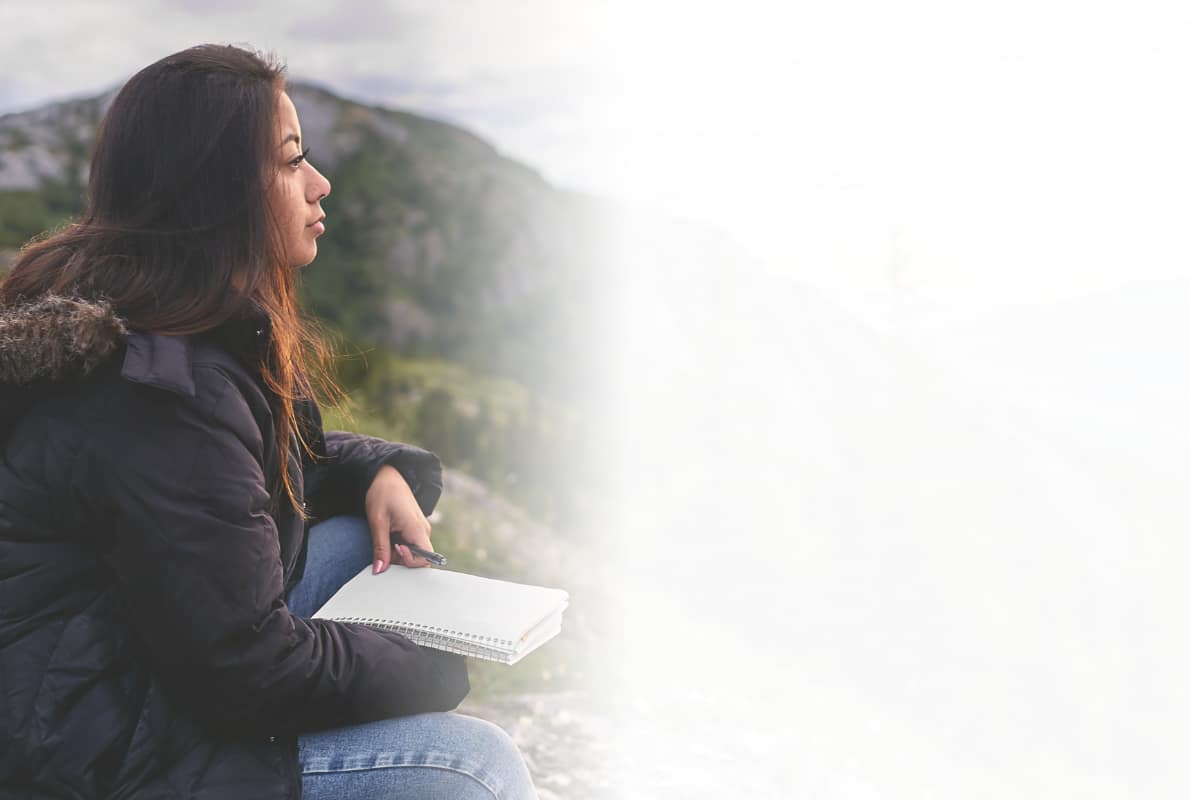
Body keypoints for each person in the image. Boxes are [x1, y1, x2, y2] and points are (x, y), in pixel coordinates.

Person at [0, 44, 537, 799]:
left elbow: (232, 476)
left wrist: (374, 470)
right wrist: (429, 660)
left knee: (356, 539)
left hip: (116, 665)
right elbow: (244, 669)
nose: (319, 185)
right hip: (98, 751)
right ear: (215, 192)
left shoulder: (156, 323)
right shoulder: (158, 393)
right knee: (477, 765)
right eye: (290, 163)